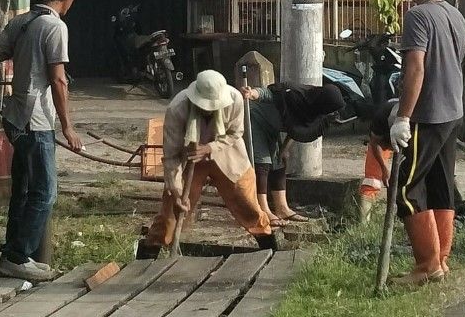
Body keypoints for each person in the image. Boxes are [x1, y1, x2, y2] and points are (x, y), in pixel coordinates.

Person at [0, 0, 86, 283]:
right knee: (45, 192)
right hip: (36, 121)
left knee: (24, 190)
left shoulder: (22, 21)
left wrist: (22, 51)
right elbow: (58, 80)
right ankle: (16, 257)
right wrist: (67, 126)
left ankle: (14, 254)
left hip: (15, 116)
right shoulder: (54, 27)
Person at [389, 0, 465, 286]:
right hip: (452, 110)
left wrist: (403, 116)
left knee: (405, 188)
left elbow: (415, 68)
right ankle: (441, 260)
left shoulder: (417, 16)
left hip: (429, 113)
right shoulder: (456, 15)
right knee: (440, 185)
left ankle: (426, 266)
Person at [137, 70, 275, 258]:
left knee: (247, 203)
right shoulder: (177, 109)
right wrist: (176, 191)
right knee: (172, 211)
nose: (209, 109)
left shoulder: (235, 99)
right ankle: (147, 257)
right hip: (189, 158)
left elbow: (235, 133)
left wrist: (209, 147)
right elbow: (171, 156)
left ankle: (270, 250)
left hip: (227, 154)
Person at [241, 83, 345, 226]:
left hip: (272, 128)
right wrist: (253, 93)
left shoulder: (314, 111)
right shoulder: (295, 95)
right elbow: (268, 94)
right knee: (263, 164)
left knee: (279, 163)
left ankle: (282, 208)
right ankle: (263, 209)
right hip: (256, 120)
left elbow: (297, 129)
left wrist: (284, 149)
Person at [359, 99, 397, 223]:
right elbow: (375, 142)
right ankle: (363, 225)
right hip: (383, 136)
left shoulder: (421, 117)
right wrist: (384, 168)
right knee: (372, 181)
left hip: (413, 140)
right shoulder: (382, 116)